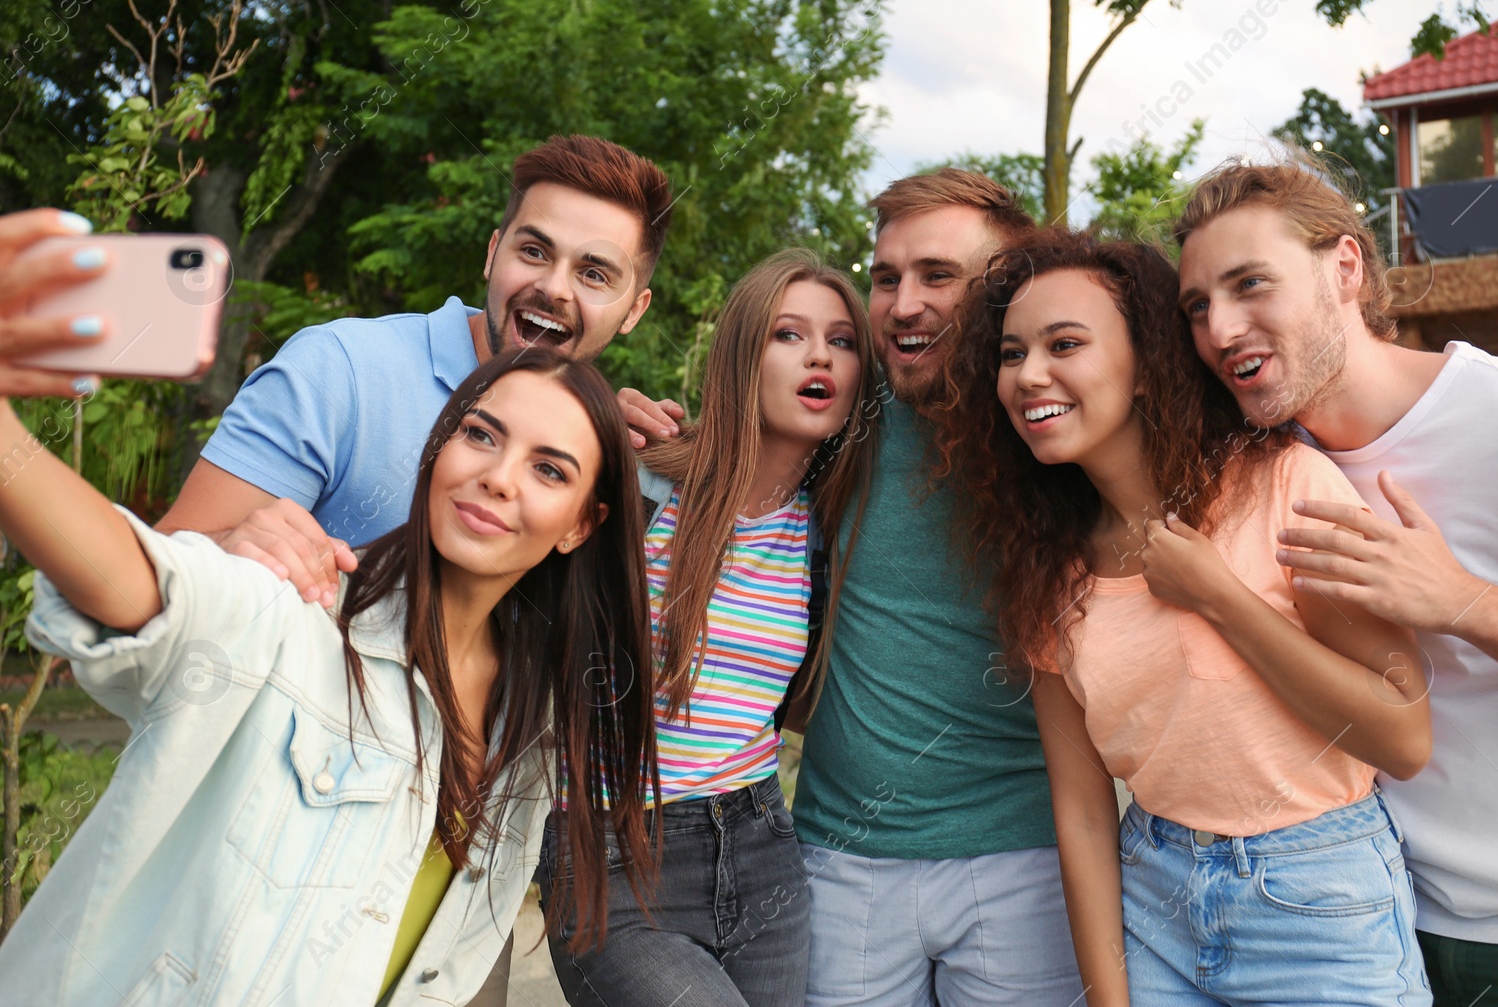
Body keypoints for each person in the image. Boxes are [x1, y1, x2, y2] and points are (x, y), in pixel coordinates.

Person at [0, 208, 659, 1005]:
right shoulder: (292, 614)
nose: (499, 476)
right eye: (481, 435)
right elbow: (125, 577)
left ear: (582, 525)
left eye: (550, 470)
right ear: (438, 445)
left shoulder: (540, 718)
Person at [938, 226, 1433, 1006]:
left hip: (1318, 896)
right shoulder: (1048, 574)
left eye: (1064, 343)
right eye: (1010, 354)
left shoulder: (1287, 488)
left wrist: (1220, 598)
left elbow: (1403, 736)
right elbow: (1083, 813)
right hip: (1154, 898)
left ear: (1144, 365)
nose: (1029, 375)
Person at [623, 170, 1083, 1006]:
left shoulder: (1053, 419)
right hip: (841, 855)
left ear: (1006, 285)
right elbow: (740, 440)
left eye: (938, 276)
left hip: (1020, 854)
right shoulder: (846, 416)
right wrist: (613, 429)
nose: (904, 303)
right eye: (886, 278)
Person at [1176, 159, 1498, 1006]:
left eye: (1250, 284)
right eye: (1197, 306)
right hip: (1363, 914)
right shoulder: (1263, 462)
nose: (1221, 328)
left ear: (1345, 268)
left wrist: (1463, 602)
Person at [538, 249, 879, 1007]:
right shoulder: (636, 484)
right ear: (739, 355)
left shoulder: (825, 533)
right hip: (612, 853)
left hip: (760, 847)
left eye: (843, 340)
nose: (819, 354)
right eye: (787, 334)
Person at [157, 133, 674, 603]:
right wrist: (230, 548)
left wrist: (601, 429)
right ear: (493, 254)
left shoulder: (606, 452)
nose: (555, 287)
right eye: (535, 250)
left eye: (594, 273)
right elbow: (162, 570)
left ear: (634, 309)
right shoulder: (340, 369)